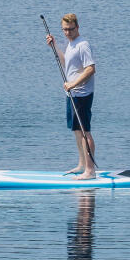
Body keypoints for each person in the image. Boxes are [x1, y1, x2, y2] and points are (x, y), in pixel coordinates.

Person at [47, 12, 97, 175]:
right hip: (72, 94)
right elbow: (66, 63)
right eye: (65, 30)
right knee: (76, 131)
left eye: (71, 29)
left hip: (82, 94)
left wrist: (73, 84)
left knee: (84, 131)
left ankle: (90, 171)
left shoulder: (82, 45)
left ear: (77, 27)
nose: (68, 32)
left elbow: (91, 69)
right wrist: (54, 46)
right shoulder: (71, 44)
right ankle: (82, 165)